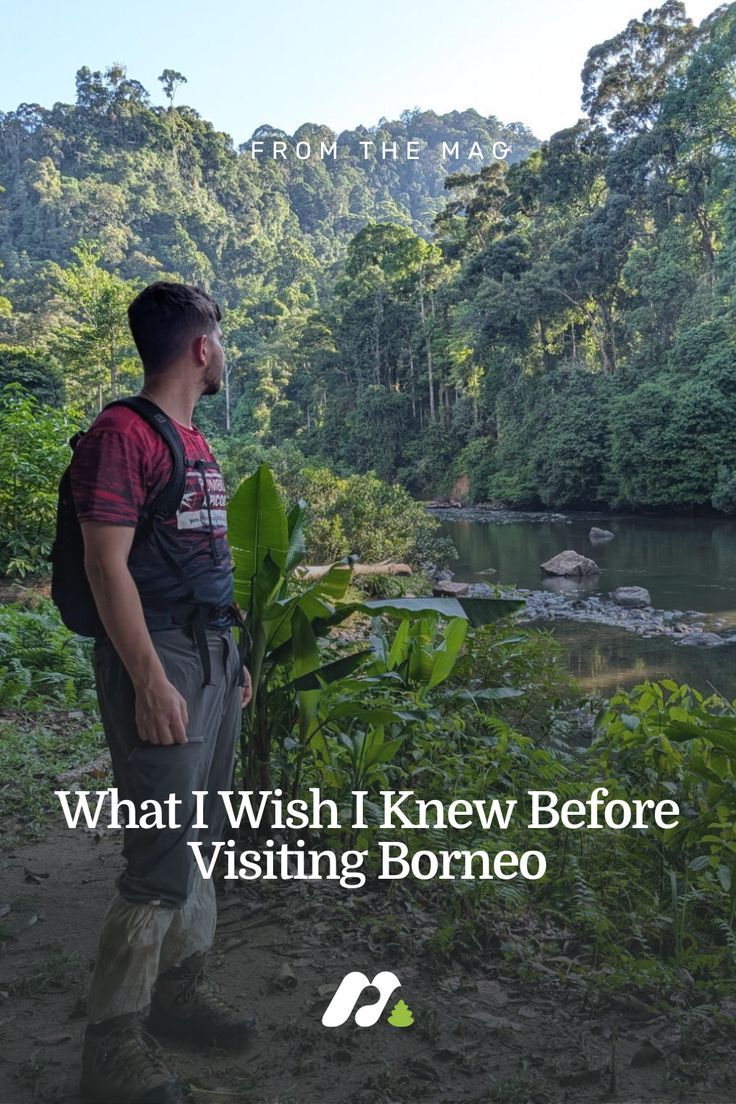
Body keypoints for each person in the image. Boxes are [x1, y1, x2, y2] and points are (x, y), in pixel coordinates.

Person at [70, 282, 255, 1104]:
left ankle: (179, 989)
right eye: (221, 338)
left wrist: (235, 653)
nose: (225, 352)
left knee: (202, 833)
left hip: (211, 651)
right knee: (159, 851)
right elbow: (104, 565)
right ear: (200, 349)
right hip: (164, 656)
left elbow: (203, 560)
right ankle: (111, 1042)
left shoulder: (192, 439)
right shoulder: (122, 435)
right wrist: (148, 677)